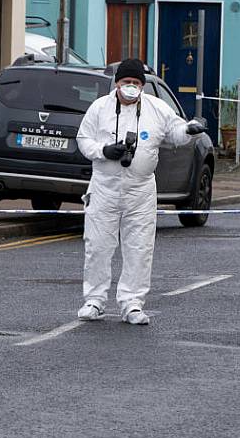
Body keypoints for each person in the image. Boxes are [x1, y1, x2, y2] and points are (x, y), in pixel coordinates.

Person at [75, 59, 204, 325]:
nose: (130, 88)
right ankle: (95, 300)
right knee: (98, 245)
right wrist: (103, 151)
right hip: (104, 187)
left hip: (141, 190)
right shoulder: (100, 108)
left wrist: (190, 130)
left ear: (142, 86)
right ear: (117, 84)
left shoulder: (156, 108)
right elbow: (83, 139)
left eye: (135, 83)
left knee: (140, 247)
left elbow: (175, 132)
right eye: (126, 83)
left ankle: (132, 303)